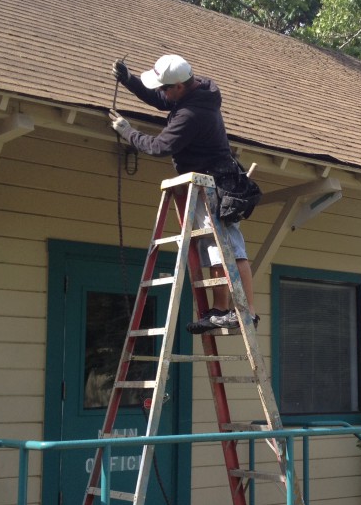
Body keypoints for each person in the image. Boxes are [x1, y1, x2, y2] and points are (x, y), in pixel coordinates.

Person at [108, 54, 256, 334]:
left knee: (230, 249)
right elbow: (162, 100)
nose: (162, 93)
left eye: (165, 88)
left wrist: (128, 132)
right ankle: (220, 311)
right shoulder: (193, 93)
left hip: (217, 184)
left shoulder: (192, 114)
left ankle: (245, 312)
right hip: (205, 182)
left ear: (179, 86)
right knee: (212, 249)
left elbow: (159, 146)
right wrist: (129, 81)